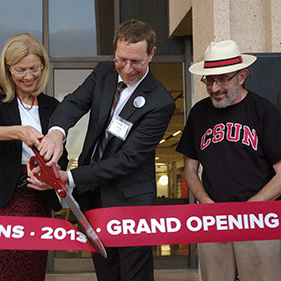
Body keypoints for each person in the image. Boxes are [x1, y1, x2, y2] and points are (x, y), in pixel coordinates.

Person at [34, 19, 175, 281]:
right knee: (106, 272)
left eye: (137, 62)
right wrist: (57, 132)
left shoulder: (160, 101)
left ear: (151, 54)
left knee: (134, 275)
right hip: (94, 197)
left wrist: (72, 177)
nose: (128, 69)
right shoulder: (104, 73)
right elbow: (74, 102)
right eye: (121, 60)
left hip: (131, 202)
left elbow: (127, 159)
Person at [0, 33, 68, 281]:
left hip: (35, 199)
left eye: (34, 68)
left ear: (43, 66)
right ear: (8, 69)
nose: (28, 76)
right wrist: (19, 132)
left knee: (30, 271)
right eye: (20, 70)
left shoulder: (52, 106)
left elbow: (62, 157)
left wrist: (52, 176)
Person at [176, 40, 281, 281]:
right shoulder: (199, 113)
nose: (214, 88)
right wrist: (205, 202)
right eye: (209, 80)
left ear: (242, 76)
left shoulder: (263, 111)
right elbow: (190, 168)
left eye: (222, 79)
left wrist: (250, 208)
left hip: (258, 220)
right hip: (214, 219)